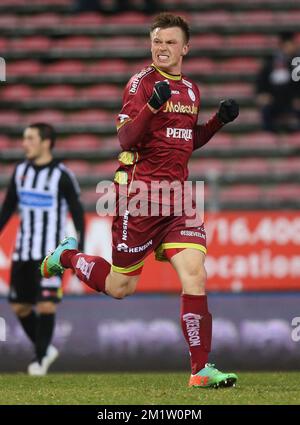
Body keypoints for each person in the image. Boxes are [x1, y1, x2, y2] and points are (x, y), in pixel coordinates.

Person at [41, 13, 239, 388]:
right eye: (156, 42)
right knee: (120, 288)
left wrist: (217, 123)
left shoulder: (192, 91)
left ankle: (200, 371)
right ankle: (66, 256)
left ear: (185, 48)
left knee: (195, 274)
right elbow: (126, 140)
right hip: (141, 197)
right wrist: (151, 108)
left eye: (169, 42)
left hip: (179, 198)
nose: (162, 48)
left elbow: (186, 140)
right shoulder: (141, 84)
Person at [0, 123, 85, 376]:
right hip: (23, 251)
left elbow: (78, 212)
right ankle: (46, 350)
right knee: (20, 307)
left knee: (47, 305)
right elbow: (7, 209)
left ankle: (39, 360)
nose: (24, 143)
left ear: (46, 142)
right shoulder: (20, 172)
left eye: (30, 138)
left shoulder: (62, 175)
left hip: (51, 253)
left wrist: (82, 245)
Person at [256, 31, 300, 132]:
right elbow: (262, 81)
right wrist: (262, 94)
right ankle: (268, 134)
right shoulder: (271, 62)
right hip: (274, 99)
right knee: (266, 108)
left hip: (292, 99)